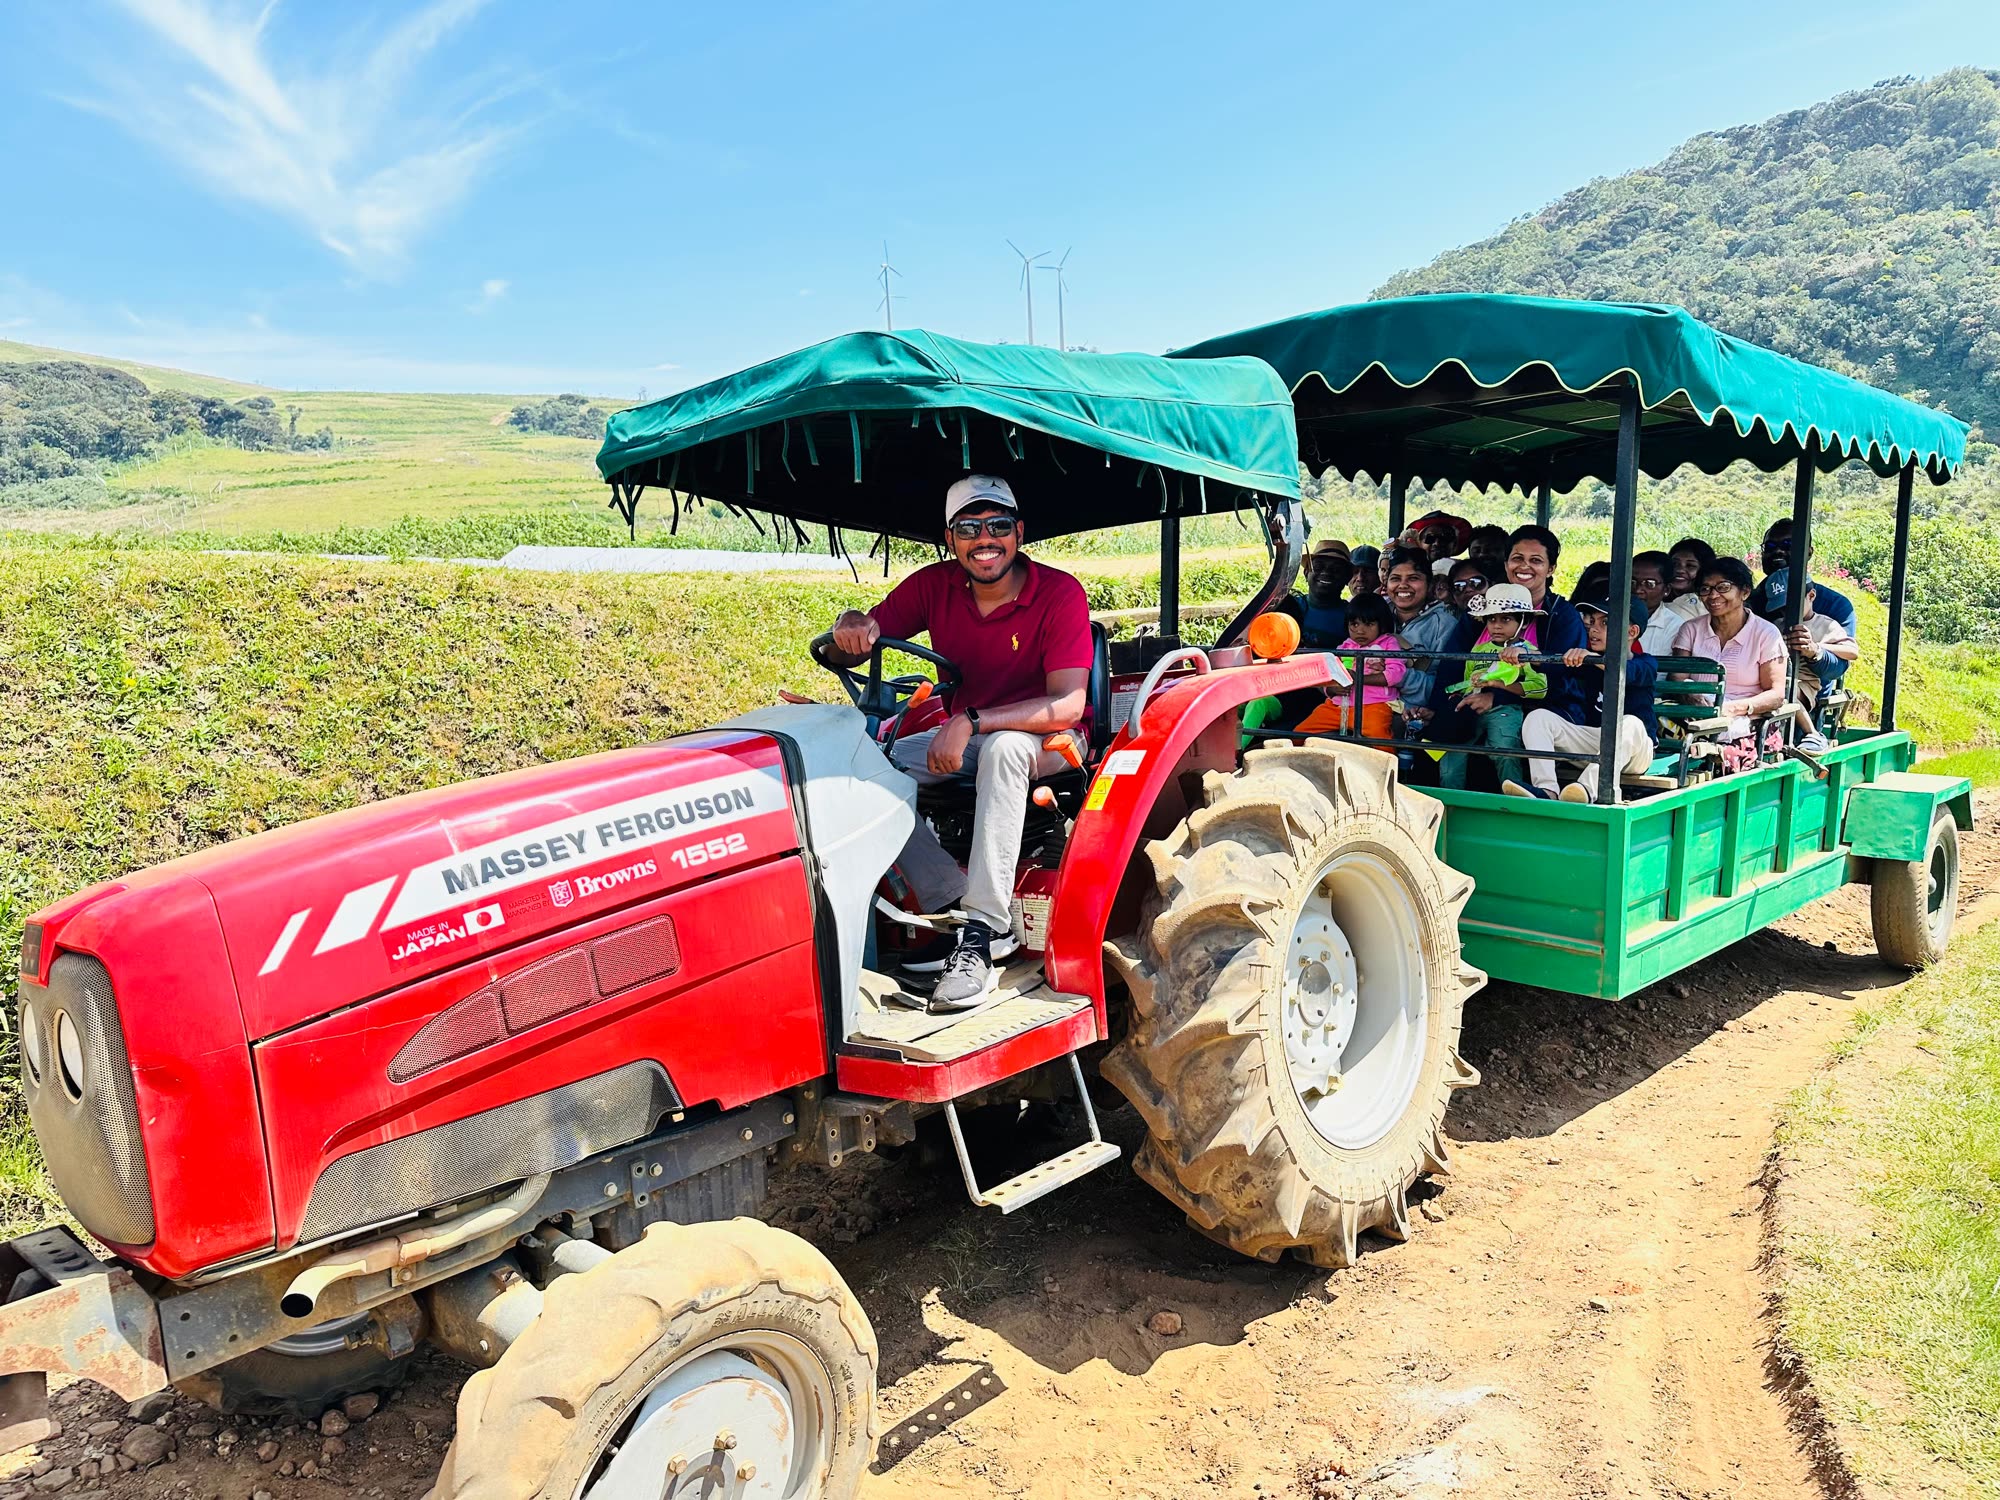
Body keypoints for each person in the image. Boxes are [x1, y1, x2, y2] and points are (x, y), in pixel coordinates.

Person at [825, 474, 1091, 1010]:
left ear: (1018, 533)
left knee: (1005, 748)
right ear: (951, 539)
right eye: (969, 527)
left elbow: (1067, 705)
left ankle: (986, 931)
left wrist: (971, 718)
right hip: (970, 736)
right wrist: (850, 628)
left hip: (1052, 740)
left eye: (997, 526)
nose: (984, 538)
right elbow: (861, 639)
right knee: (859, 761)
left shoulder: (1060, 593)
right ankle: (947, 902)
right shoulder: (934, 586)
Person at [1428, 523, 1587, 731]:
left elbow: (1563, 679)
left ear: (1550, 569)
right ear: (1506, 564)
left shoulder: (1563, 616)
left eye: (1536, 561)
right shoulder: (1480, 611)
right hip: (1472, 706)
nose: (1524, 566)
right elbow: (1451, 666)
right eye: (1517, 559)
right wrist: (1437, 708)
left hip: (1541, 714)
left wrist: (1499, 697)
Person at [1507, 588, 1659, 803]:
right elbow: (1553, 664)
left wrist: (1593, 659)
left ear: (1632, 632)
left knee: (1630, 723)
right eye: (1592, 622)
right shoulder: (1591, 662)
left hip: (1636, 752)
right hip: (1597, 744)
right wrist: (1525, 653)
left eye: (1605, 623)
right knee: (1538, 718)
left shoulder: (1646, 663)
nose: (1594, 630)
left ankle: (1585, 789)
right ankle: (1547, 789)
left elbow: (1628, 672)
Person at [1671, 557, 1787, 758]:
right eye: (1705, 589)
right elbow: (1677, 678)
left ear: (1745, 592)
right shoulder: (1691, 629)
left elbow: (1776, 694)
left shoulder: (1766, 634)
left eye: (1723, 587)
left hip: (1745, 717)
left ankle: (1714, 752)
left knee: (1726, 730)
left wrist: (1732, 709)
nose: (1713, 595)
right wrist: (1691, 696)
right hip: (1697, 711)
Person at [1436, 583, 1546, 791]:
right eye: (1491, 619)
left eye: (1505, 619)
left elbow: (1539, 688)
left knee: (1504, 752)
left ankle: (1515, 802)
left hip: (1505, 711)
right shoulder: (1478, 650)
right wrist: (1461, 694)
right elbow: (1468, 682)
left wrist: (1497, 684)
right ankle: (1449, 805)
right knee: (1451, 756)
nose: (1496, 626)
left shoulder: (1528, 652)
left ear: (1524, 621)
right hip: (1470, 710)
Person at [1749, 522, 1858, 694]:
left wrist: (1814, 650)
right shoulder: (1750, 602)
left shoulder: (1835, 605)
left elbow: (1839, 667)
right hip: (1750, 689)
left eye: (1788, 545)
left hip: (1804, 696)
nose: (1778, 551)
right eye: (1770, 546)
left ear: (1809, 552)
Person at [1295, 591, 1403, 740]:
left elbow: (1396, 674)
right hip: (1336, 707)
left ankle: (1391, 763)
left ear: (1382, 624)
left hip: (1374, 707)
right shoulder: (1343, 647)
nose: (1360, 630)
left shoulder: (1388, 644)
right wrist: (1332, 689)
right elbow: (1329, 677)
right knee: (1299, 733)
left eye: (1369, 624)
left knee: (1381, 741)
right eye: (1354, 624)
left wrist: (1359, 678)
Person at [1759, 568, 1859, 724]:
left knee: (1782, 690)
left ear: (1811, 595)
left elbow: (1852, 652)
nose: (1786, 612)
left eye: (1791, 605)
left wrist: (1816, 647)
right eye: (1781, 608)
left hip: (1803, 684)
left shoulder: (1826, 625)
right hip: (1776, 677)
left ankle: (1810, 732)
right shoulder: (1777, 625)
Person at [1382, 546, 1460, 744]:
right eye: (1395, 578)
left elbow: (1443, 686)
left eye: (1413, 578)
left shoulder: (1445, 624)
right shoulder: (1374, 611)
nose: (1403, 585)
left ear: (1429, 583)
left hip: (1412, 715)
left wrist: (1396, 675)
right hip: (1368, 703)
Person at [1276, 537, 1352, 648]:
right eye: (1318, 567)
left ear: (1347, 578)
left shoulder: (1354, 616)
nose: (1326, 573)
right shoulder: (1287, 607)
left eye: (1336, 570)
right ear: (1306, 572)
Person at [1634, 550, 1695, 657]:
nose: (1638, 590)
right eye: (1632, 582)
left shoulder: (1676, 627)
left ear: (1666, 589)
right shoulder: (1608, 617)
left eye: (1649, 584)